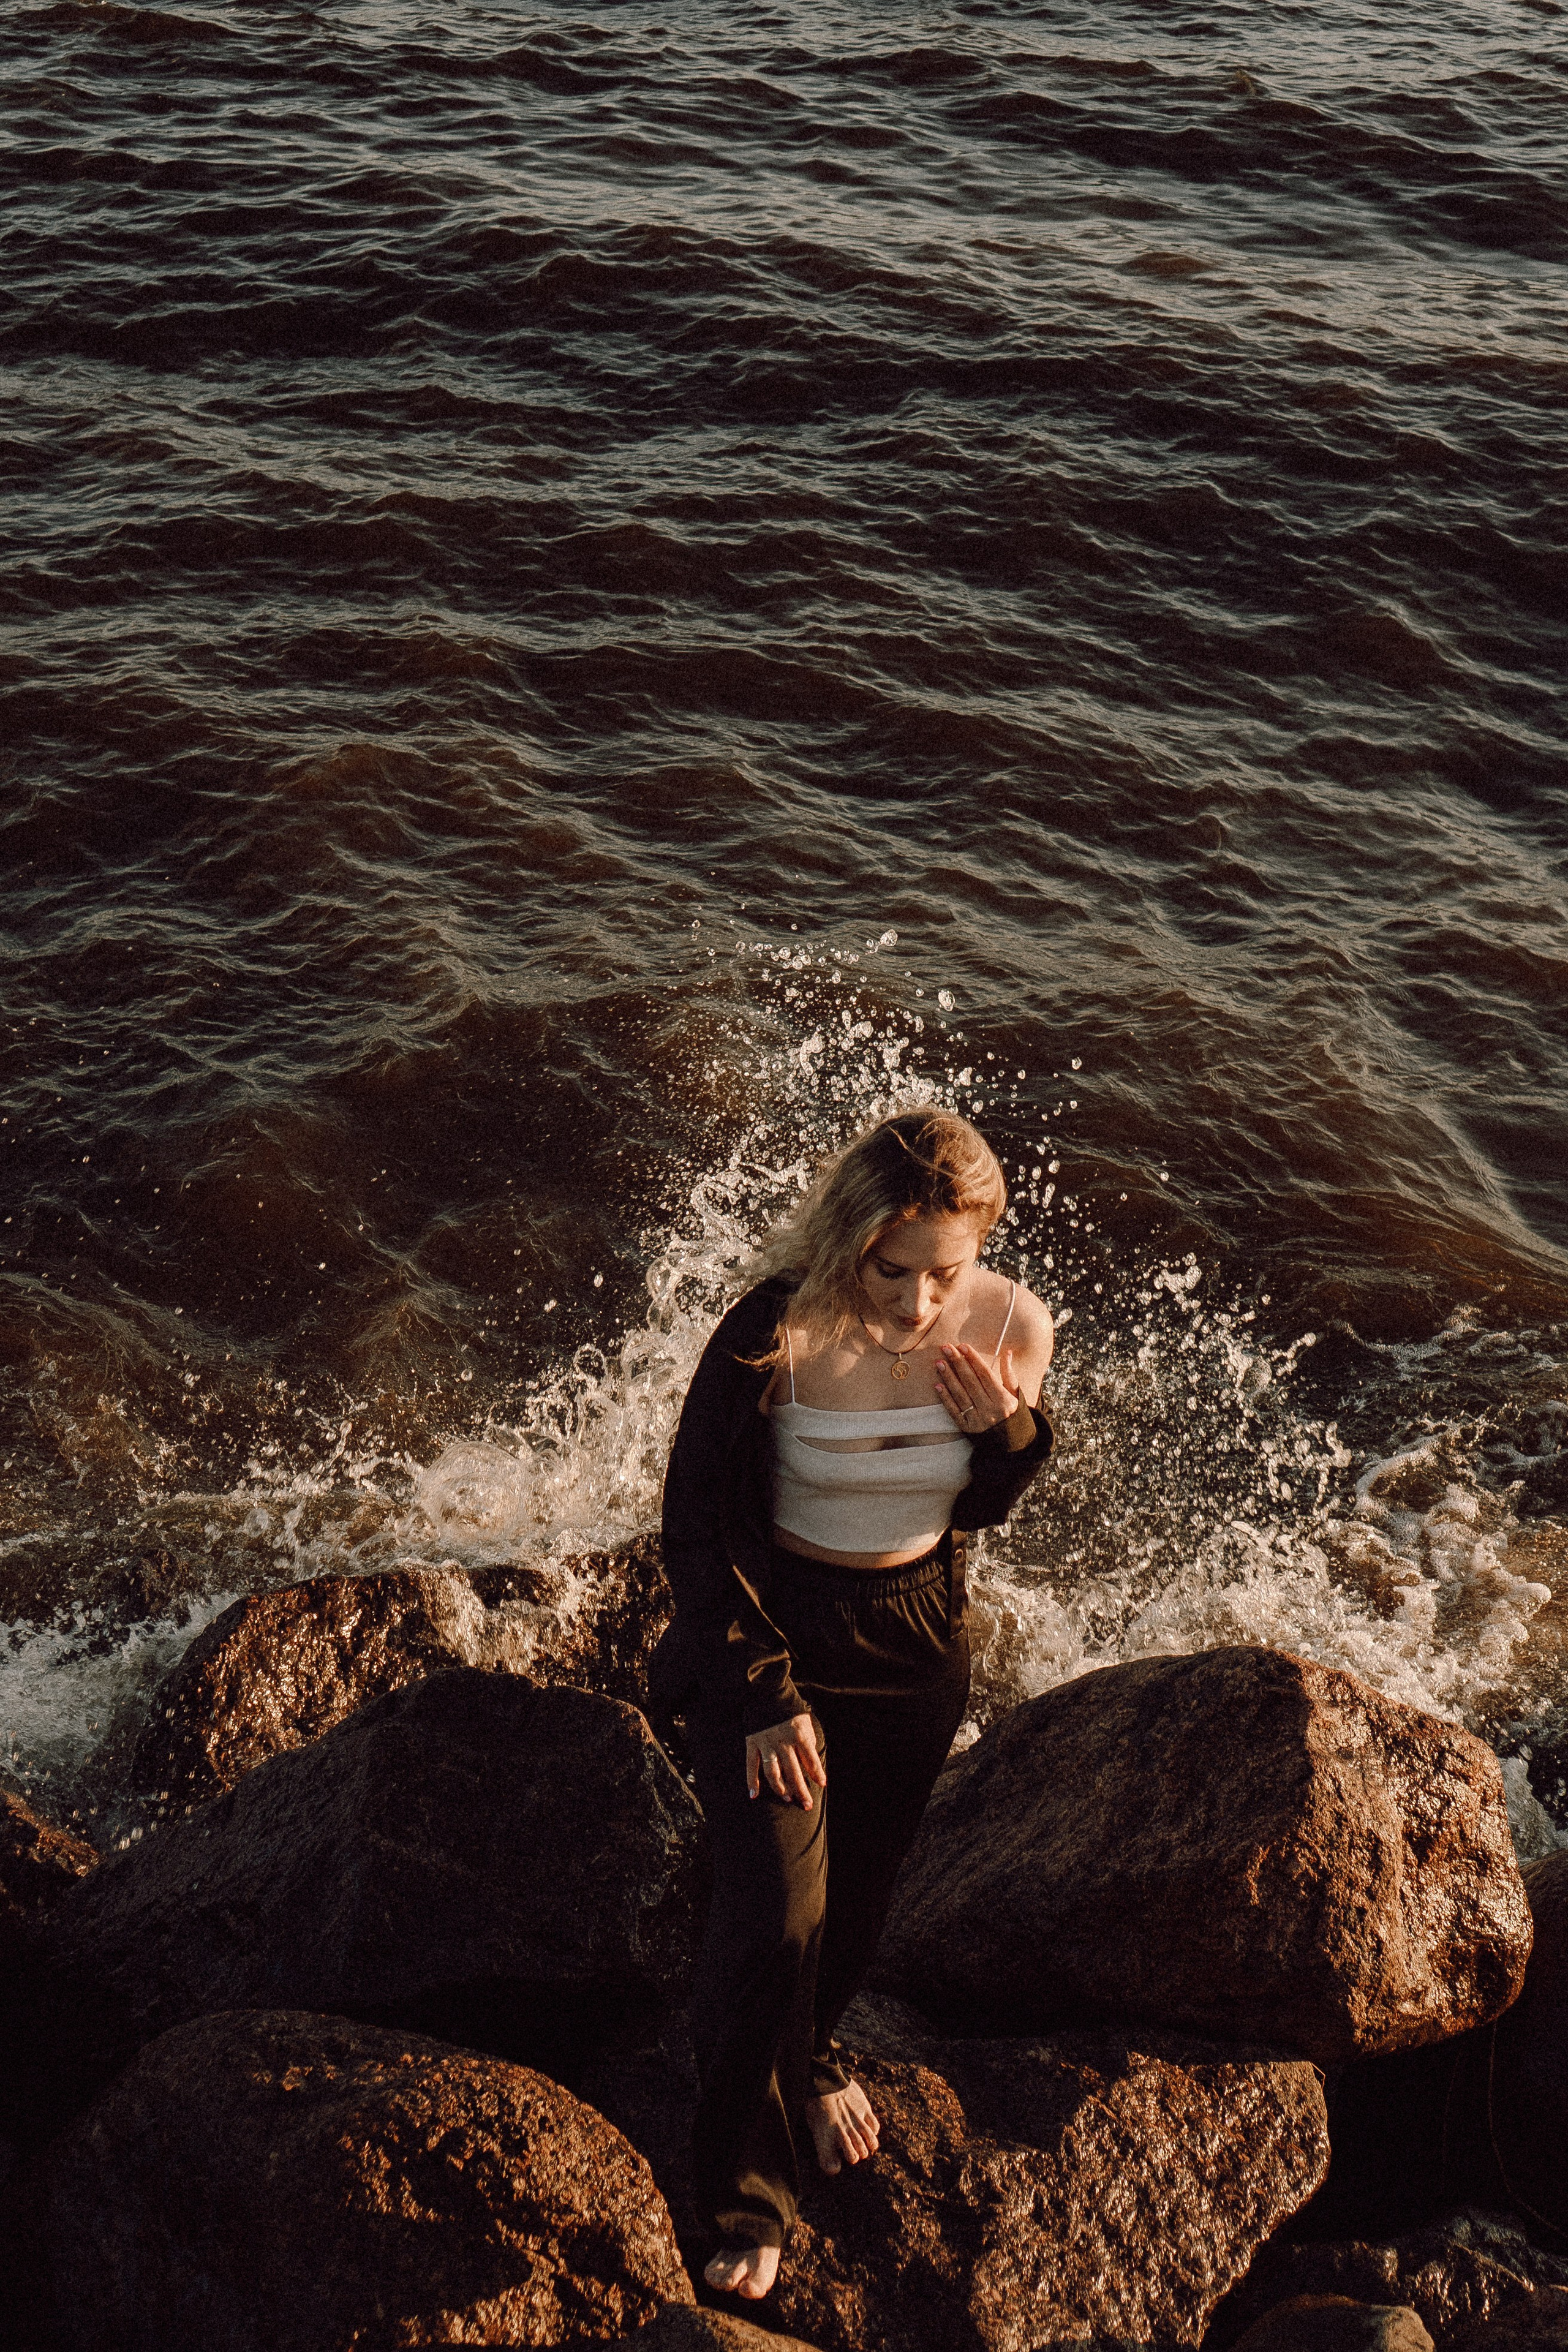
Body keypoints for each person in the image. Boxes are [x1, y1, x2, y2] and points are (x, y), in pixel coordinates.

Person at [655, 1106, 1055, 2301]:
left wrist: (1012, 1436)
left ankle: (810, 2054)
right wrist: (766, 1692)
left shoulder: (1011, 1323)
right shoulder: (769, 1331)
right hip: (773, 1644)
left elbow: (979, 1509)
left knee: (859, 1907)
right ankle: (742, 2195)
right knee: (777, 1916)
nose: (923, 1302)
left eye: (949, 1268)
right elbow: (694, 1529)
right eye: (896, 1269)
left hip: (916, 1643)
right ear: (850, 1237)